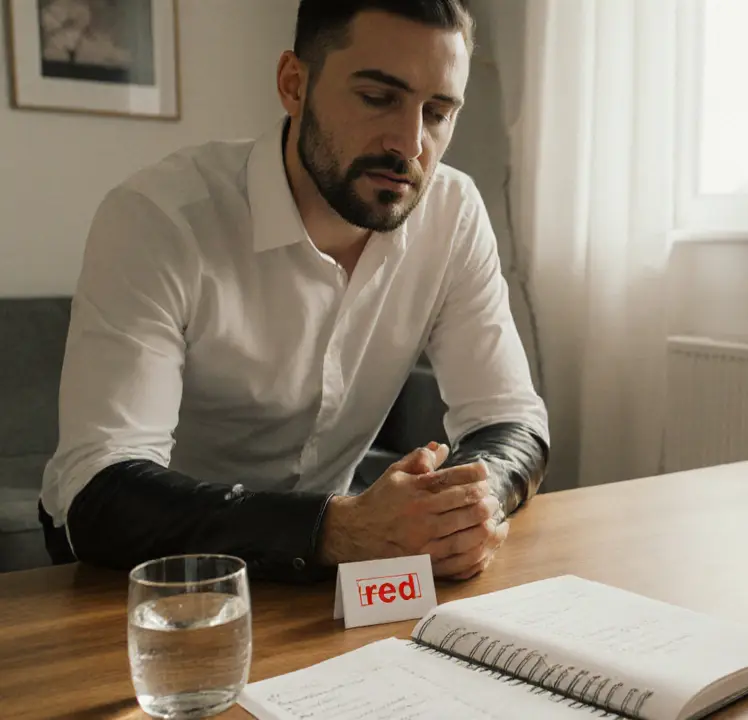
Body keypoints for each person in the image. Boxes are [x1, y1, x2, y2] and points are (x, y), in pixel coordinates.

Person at [38, 0, 550, 584]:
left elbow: (510, 419)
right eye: (378, 97)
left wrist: (463, 509)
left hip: (329, 554)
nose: (409, 144)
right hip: (141, 562)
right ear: (293, 84)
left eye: (436, 112)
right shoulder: (158, 219)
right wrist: (342, 528)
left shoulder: (453, 215)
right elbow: (102, 491)